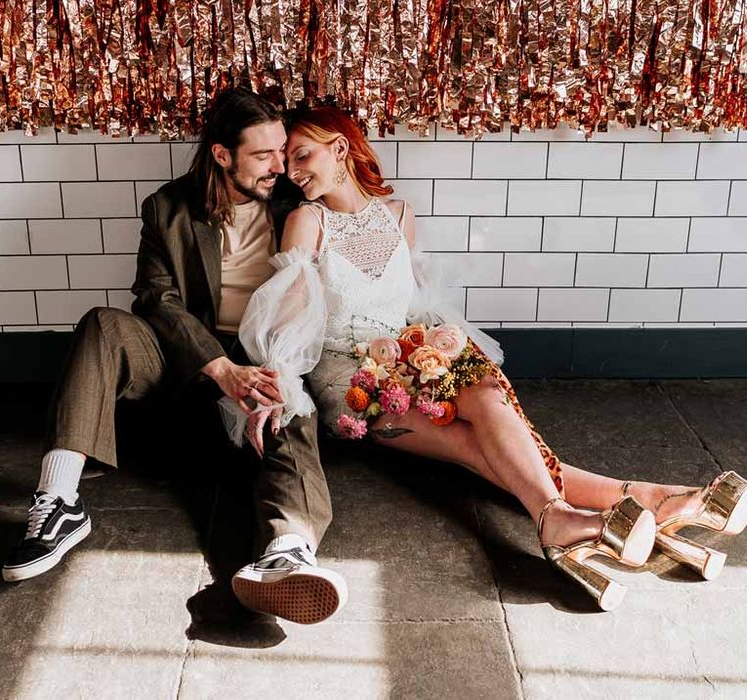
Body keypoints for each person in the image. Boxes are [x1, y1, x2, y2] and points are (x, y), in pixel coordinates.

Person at [235, 106, 747, 611]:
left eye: (302, 155)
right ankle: (644, 501)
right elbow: (289, 320)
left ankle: (568, 515)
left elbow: (418, 308)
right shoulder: (306, 221)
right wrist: (278, 384)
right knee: (471, 444)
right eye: (287, 161)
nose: (293, 172)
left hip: (409, 354)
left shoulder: (399, 216)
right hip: (351, 381)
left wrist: (444, 348)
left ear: (340, 148)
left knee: (488, 394)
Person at [1, 88, 347, 626]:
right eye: (263, 156)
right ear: (221, 154)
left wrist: (267, 370)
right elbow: (155, 299)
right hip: (188, 361)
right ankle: (58, 501)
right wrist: (219, 367)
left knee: (289, 403)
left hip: (266, 350)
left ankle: (290, 548)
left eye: (283, 151)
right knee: (102, 323)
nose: (280, 167)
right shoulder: (167, 208)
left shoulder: (295, 204)